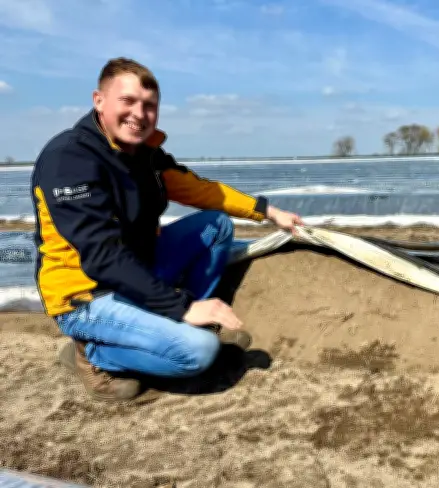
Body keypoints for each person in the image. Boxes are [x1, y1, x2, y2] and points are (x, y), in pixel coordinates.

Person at [30, 57, 304, 403]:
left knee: (215, 226)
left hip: (135, 270)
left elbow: (200, 190)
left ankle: (173, 320)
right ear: (99, 100)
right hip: (86, 296)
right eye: (127, 101)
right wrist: (179, 307)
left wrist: (266, 211)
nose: (138, 114)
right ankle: (94, 353)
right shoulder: (69, 160)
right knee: (200, 352)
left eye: (149, 106)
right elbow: (100, 255)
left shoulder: (145, 154)